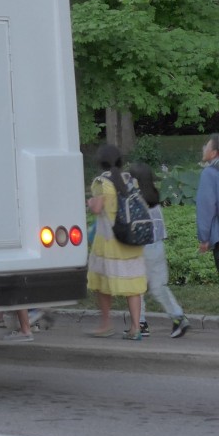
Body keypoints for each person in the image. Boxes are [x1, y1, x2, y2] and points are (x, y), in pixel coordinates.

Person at [85, 144, 147, 339]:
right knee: (133, 286)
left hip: (109, 243)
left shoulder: (101, 183)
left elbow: (96, 208)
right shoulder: (129, 179)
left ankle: (106, 325)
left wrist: (89, 203)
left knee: (102, 284)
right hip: (131, 240)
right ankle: (135, 328)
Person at [128, 161, 189, 338]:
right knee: (158, 286)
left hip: (141, 247)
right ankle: (178, 316)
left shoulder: (135, 197)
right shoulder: (153, 196)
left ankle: (140, 323)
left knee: (136, 286)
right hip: (158, 245)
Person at [196, 134, 219, 280]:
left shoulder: (210, 173)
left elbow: (206, 208)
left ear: (214, 153)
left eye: (207, 147)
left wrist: (204, 238)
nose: (204, 149)